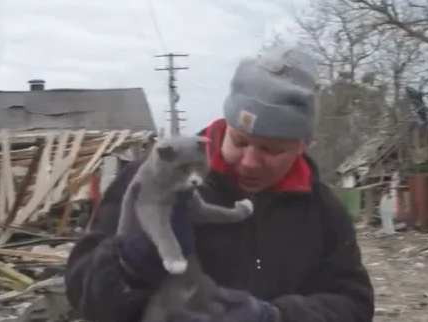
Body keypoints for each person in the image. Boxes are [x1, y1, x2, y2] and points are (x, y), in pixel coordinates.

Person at [64, 46, 375, 322]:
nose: (250, 161)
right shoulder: (152, 180)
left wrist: (276, 316)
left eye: (271, 150)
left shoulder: (322, 211)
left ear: (303, 144)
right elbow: (83, 295)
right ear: (226, 125)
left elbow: (355, 304)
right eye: (239, 141)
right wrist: (128, 267)